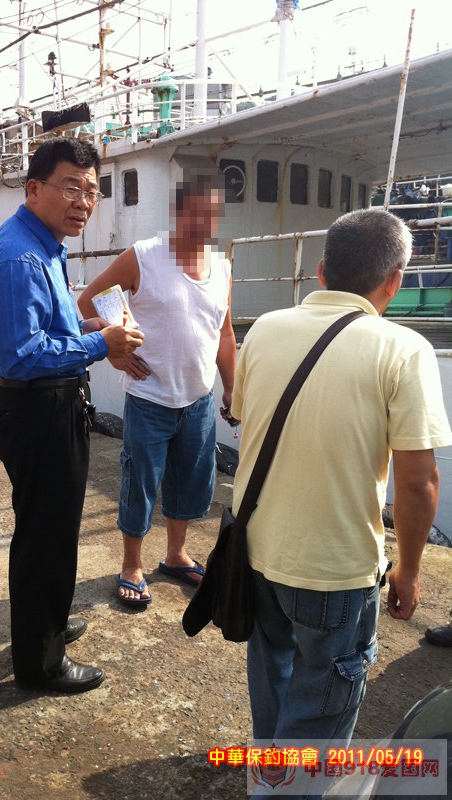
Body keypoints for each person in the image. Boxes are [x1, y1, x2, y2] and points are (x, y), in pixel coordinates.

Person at [231, 210, 452, 757]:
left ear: (322, 271)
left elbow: (247, 421)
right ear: (394, 282)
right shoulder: (403, 349)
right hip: (334, 571)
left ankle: (273, 771)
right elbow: (419, 483)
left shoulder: (263, 329)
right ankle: (289, 786)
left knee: (273, 674)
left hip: (255, 550)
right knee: (323, 710)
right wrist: (408, 570)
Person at [0, 138, 144, 693]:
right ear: (34, 189)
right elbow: (19, 355)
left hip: (49, 403)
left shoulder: (44, 244)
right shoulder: (20, 257)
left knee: (49, 529)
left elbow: (46, 328)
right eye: (71, 187)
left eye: (91, 191)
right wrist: (101, 345)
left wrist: (89, 328)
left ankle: (44, 624)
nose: (83, 202)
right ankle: (41, 663)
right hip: (37, 408)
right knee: (45, 535)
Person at [78, 173, 236, 608]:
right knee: (140, 483)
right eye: (195, 212)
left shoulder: (222, 267)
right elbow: (90, 300)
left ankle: (175, 555)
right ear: (178, 213)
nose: (203, 222)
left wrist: (231, 388)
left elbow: (224, 333)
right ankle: (131, 565)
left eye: (211, 214)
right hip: (150, 397)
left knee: (190, 481)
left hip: (198, 399)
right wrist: (114, 351)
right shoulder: (144, 256)